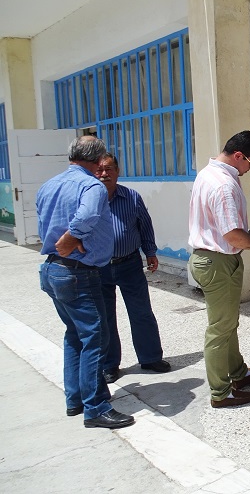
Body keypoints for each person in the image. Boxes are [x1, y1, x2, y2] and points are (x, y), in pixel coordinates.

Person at [36, 136, 135, 429]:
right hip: (78, 273)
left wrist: (65, 240)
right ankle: (96, 408)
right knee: (95, 338)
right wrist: (72, 237)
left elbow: (43, 223)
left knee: (74, 335)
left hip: (54, 269)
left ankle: (76, 399)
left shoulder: (49, 185)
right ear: (98, 159)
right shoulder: (91, 186)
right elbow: (88, 214)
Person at [188, 130, 250, 408]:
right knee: (220, 329)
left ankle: (238, 373)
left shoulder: (207, 173)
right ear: (238, 156)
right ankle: (221, 393)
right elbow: (233, 236)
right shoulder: (223, 184)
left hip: (213, 259)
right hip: (218, 261)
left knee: (227, 322)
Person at [94, 153, 170, 384]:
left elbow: (145, 225)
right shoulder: (88, 199)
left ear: (117, 171)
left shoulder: (131, 197)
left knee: (141, 313)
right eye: (99, 170)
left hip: (129, 264)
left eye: (109, 169)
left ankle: (150, 358)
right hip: (98, 267)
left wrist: (150, 252)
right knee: (105, 318)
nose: (104, 174)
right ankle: (109, 365)